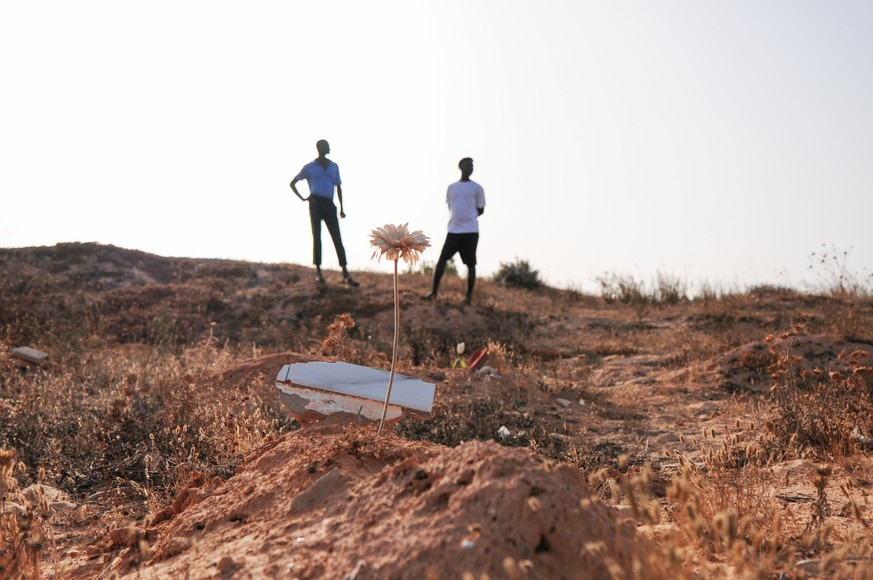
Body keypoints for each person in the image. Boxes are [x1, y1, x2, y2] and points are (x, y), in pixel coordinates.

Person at [290, 140, 359, 286]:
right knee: (317, 236)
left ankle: (345, 273)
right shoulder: (310, 167)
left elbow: (338, 187)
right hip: (315, 203)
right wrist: (303, 198)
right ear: (319, 148)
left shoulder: (334, 167)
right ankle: (318, 272)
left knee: (337, 238)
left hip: (329, 203)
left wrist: (341, 208)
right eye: (326, 146)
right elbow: (293, 183)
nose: (329, 148)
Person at [422, 157, 485, 305]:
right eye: (468, 165)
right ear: (460, 166)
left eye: (472, 166)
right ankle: (433, 292)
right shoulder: (452, 188)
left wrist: (468, 217)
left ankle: (469, 297)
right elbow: (450, 207)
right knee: (442, 260)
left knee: (470, 264)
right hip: (454, 230)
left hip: (470, 231)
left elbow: (481, 209)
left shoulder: (477, 188)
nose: (470, 168)